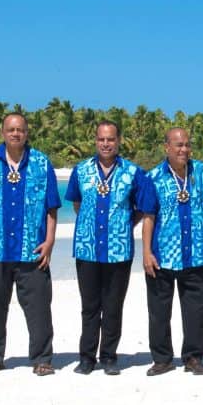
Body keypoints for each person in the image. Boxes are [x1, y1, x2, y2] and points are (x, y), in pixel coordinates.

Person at [0, 114, 60, 376]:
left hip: (32, 250)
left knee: (39, 309)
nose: (16, 134)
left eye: (20, 130)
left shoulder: (41, 163)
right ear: (2, 132)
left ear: (27, 133)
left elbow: (51, 207)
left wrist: (49, 242)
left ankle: (42, 359)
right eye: (11, 129)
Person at [64, 120, 148, 375]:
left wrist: (121, 225)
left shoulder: (133, 173)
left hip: (118, 250)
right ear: (95, 140)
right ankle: (87, 357)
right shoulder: (81, 170)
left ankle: (109, 356)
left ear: (118, 141)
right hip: (87, 249)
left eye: (111, 139)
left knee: (113, 305)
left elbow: (142, 209)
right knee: (90, 306)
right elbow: (77, 204)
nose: (106, 143)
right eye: (102, 139)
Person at [137, 128, 203, 376]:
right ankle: (162, 359)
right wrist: (147, 252)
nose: (183, 149)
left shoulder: (201, 172)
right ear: (167, 148)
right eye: (178, 145)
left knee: (197, 310)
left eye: (186, 145)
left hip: (194, 254)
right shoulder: (153, 177)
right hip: (163, 255)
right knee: (159, 311)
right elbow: (148, 217)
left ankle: (193, 357)